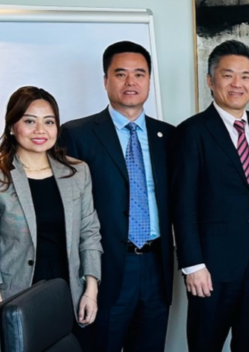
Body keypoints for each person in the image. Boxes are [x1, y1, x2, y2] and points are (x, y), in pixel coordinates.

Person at [60, 41, 173, 352]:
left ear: (149, 80)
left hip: (156, 266)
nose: (130, 82)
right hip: (104, 268)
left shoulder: (168, 136)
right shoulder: (77, 134)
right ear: (105, 80)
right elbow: (69, 209)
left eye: (139, 74)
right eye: (121, 74)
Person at [0, 86, 102, 343]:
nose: (40, 130)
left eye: (49, 122)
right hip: (12, 297)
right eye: (29, 121)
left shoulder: (77, 172)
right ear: (12, 126)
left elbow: (89, 233)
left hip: (69, 294)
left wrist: (91, 290)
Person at [170, 40, 249, 352]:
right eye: (228, 75)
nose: (237, 84)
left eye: (245, 76)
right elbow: (183, 203)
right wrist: (193, 264)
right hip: (211, 266)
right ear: (210, 80)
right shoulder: (191, 132)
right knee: (206, 344)